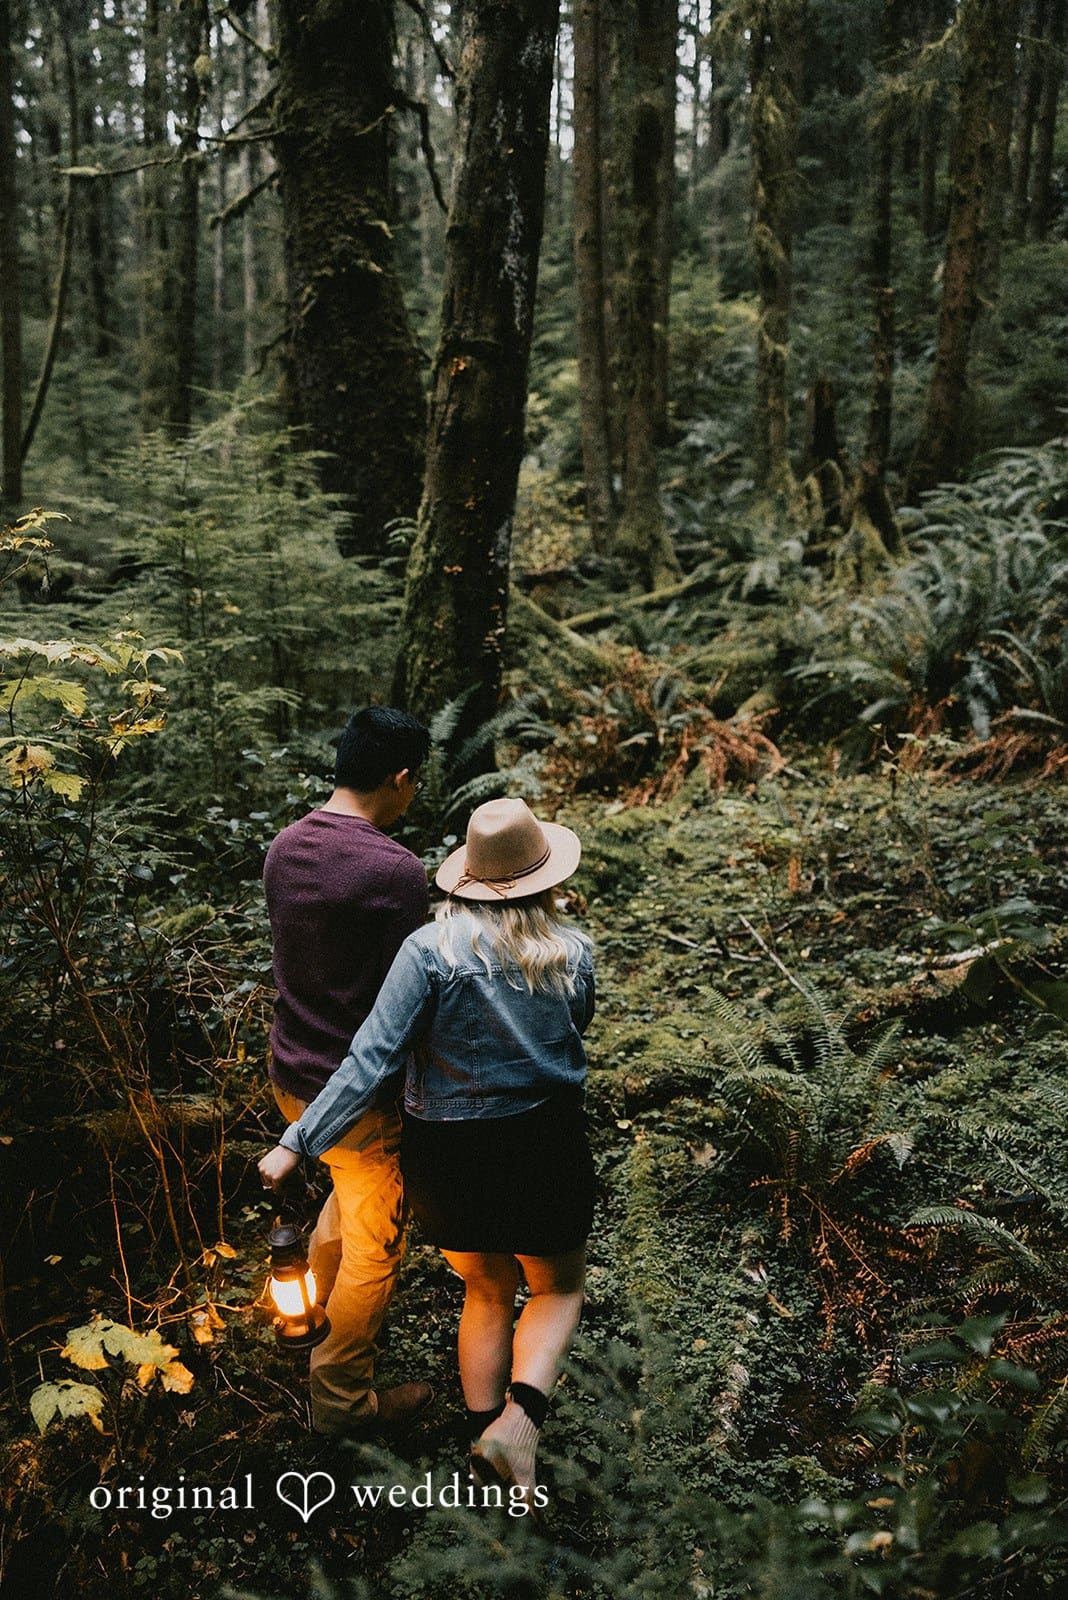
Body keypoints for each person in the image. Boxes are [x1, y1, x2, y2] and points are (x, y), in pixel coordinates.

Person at [260, 797, 596, 1510]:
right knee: (557, 1287)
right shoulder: (573, 951)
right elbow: (576, 1029)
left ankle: (486, 1437)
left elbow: (371, 1057)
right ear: (546, 878)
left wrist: (296, 1142)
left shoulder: (427, 950)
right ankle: (518, 1425)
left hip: (449, 1158)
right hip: (543, 1146)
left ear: (467, 876)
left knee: (485, 1289)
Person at [262, 704, 433, 1437]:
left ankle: (313, 1308)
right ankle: (340, 1401)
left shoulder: (283, 847)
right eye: (414, 781)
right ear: (399, 778)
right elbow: (409, 998)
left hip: (291, 1082)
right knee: (376, 1243)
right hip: (357, 1098)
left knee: (345, 1191)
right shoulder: (395, 872)